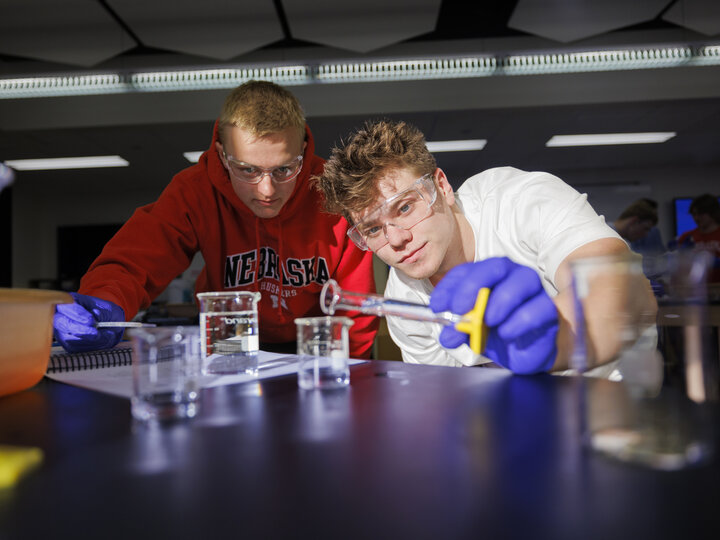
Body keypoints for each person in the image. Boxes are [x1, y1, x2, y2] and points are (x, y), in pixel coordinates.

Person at [53, 81, 379, 357]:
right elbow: (135, 259)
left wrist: (347, 372)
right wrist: (105, 302)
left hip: (317, 338)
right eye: (247, 170)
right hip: (230, 331)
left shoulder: (334, 191)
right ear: (223, 156)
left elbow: (356, 306)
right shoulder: (195, 191)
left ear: (304, 150)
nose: (267, 190)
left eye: (284, 169)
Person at [315, 119, 657, 374]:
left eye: (405, 207)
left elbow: (628, 290)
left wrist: (556, 340)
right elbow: (446, 403)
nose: (397, 240)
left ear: (442, 186)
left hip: (615, 409)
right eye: (373, 229)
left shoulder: (521, 201)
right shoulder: (404, 299)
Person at [676, 193, 720, 283]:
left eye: (701, 214)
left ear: (713, 213)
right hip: (697, 290)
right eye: (694, 214)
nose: (696, 218)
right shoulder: (686, 237)